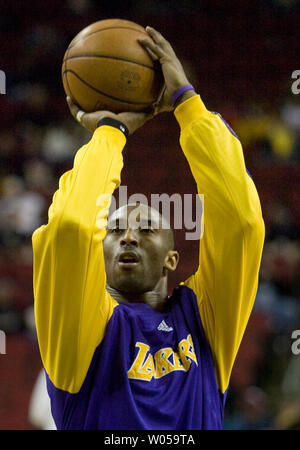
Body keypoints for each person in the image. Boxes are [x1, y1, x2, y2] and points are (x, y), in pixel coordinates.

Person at [32, 26, 265, 430]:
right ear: (97, 254)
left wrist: (188, 104)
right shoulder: (81, 329)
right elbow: (70, 228)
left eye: (147, 229)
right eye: (115, 228)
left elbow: (241, 221)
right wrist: (109, 132)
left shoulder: (206, 319)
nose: (127, 236)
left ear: (172, 259)